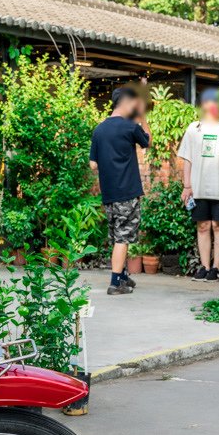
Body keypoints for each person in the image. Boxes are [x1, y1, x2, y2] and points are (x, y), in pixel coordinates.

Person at [90, 86, 150, 295]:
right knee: (123, 238)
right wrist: (142, 118)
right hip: (127, 192)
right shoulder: (130, 127)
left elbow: (93, 165)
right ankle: (116, 283)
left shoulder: (99, 129)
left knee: (117, 235)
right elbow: (147, 142)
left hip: (109, 194)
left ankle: (123, 275)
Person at [178, 88, 219, 282]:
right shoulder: (194, 128)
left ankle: (217, 268)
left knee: (218, 225)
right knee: (202, 226)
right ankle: (204, 265)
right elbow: (187, 159)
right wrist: (187, 186)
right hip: (198, 186)